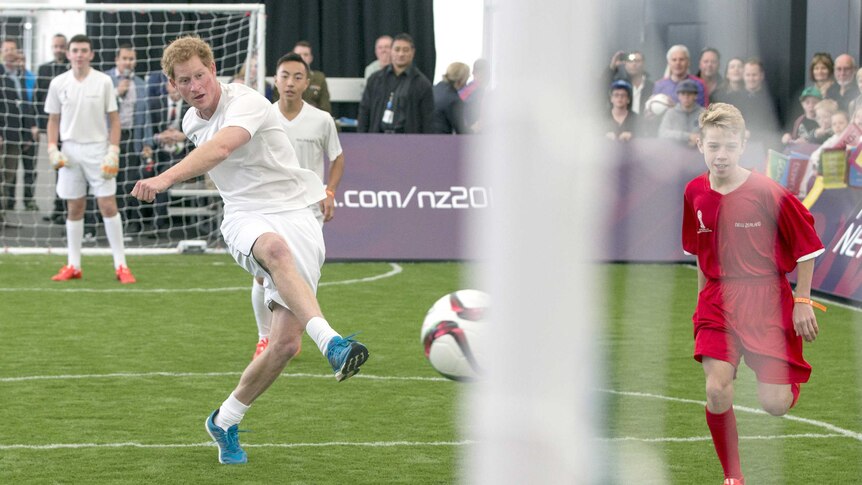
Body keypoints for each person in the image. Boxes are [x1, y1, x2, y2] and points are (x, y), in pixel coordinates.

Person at [131, 36, 367, 465]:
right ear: (173, 85)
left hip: (298, 211)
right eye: (185, 80)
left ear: (213, 68)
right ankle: (332, 342)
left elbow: (222, 147)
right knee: (273, 251)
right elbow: (212, 155)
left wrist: (163, 179)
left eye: (201, 75)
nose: (196, 85)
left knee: (285, 347)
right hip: (244, 215)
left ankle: (225, 418)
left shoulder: (249, 101)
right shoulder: (189, 121)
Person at [682, 102, 825, 485]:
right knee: (716, 388)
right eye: (713, 146)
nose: (721, 154)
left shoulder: (766, 191)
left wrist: (802, 299)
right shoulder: (694, 192)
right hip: (717, 300)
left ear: (743, 144)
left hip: (766, 300)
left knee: (774, 405)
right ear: (700, 145)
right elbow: (700, 254)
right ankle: (734, 476)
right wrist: (700, 308)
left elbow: (808, 245)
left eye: (729, 146)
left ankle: (782, 381)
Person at [249, 52, 347, 359]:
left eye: (297, 77)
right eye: (284, 76)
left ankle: (289, 335)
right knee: (263, 275)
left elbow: (338, 157)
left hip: (307, 212)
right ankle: (264, 338)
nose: (290, 82)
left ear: (308, 82)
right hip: (268, 207)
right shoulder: (261, 117)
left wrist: (329, 191)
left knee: (300, 276)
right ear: (275, 80)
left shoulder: (321, 120)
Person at [45, 34, 136, 284]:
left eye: (84, 50)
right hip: (70, 152)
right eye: (75, 50)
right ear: (68, 53)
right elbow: (53, 120)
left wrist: (114, 150)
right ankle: (73, 264)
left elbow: (114, 119)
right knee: (74, 207)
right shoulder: (58, 83)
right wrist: (52, 147)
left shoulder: (104, 81)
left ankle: (121, 265)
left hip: (99, 150)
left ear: (91, 54)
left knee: (108, 205)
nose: (79, 54)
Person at [106, 44, 155, 234]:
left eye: (131, 59)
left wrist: (147, 142)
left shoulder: (141, 83)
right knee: (109, 180)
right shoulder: (105, 80)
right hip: (109, 138)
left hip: (132, 137)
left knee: (131, 180)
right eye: (125, 58)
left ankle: (131, 222)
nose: (128, 62)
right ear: (117, 60)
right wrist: (118, 93)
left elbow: (146, 116)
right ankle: (108, 221)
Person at [358, 32, 434, 134]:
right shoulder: (375, 79)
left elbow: (428, 120)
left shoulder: (422, 84)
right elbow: (364, 111)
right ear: (391, 52)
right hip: (377, 139)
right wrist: (362, 137)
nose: (401, 54)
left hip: (409, 142)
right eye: (397, 49)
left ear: (413, 52)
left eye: (405, 50)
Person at [147, 74, 190, 232]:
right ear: (167, 86)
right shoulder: (154, 104)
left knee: (165, 172)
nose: (175, 89)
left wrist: (182, 136)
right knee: (139, 170)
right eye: (172, 85)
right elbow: (147, 131)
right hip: (158, 152)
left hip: (182, 155)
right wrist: (161, 137)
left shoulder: (191, 107)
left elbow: (199, 137)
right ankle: (136, 221)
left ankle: (157, 223)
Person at [0, 39, 38, 214]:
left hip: (16, 135)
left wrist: (29, 130)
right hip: (2, 132)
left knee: (8, 176)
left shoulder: (21, 76)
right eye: (6, 49)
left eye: (12, 49)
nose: (9, 52)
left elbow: (25, 105)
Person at [36, 34, 70, 224]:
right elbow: (38, 99)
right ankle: (58, 208)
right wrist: (41, 126)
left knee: (69, 169)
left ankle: (67, 208)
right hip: (54, 129)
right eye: (55, 46)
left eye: (61, 46)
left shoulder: (72, 69)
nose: (58, 49)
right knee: (58, 168)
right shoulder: (44, 69)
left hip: (72, 129)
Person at [658, 79, 704, 146]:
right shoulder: (671, 112)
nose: (686, 97)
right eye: (683, 93)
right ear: (678, 96)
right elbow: (662, 133)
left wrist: (700, 138)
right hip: (675, 150)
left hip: (697, 151)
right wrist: (688, 137)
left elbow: (711, 134)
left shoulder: (703, 113)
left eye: (690, 93)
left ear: (695, 96)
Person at [432, 61, 471, 134]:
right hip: (442, 140)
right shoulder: (454, 100)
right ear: (462, 80)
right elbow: (461, 130)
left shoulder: (433, 89)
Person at [292, 41, 331, 113]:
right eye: (298, 54)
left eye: (306, 55)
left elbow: (326, 107)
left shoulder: (319, 78)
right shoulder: (284, 78)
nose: (302, 57)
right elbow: (277, 105)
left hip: (314, 119)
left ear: (311, 58)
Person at [460, 58, 490, 132]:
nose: (486, 77)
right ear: (474, 73)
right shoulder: (473, 91)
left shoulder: (466, 88)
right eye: (483, 74)